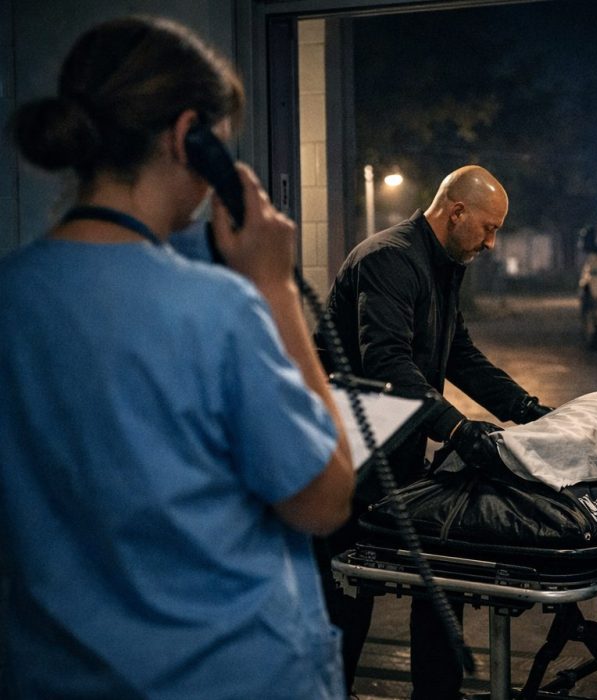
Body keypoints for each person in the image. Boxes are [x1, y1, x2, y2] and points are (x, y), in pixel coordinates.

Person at [0, 15, 354, 699]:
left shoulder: (11, 296)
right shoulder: (223, 311)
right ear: (187, 138)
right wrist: (276, 289)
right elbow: (325, 500)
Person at [317, 165, 552, 698]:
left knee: (439, 580)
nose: (492, 243)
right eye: (488, 228)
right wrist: (457, 430)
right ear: (456, 211)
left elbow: (459, 355)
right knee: (347, 598)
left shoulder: (445, 262)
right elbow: (388, 368)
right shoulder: (390, 259)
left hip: (393, 451)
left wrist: (527, 408)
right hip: (343, 457)